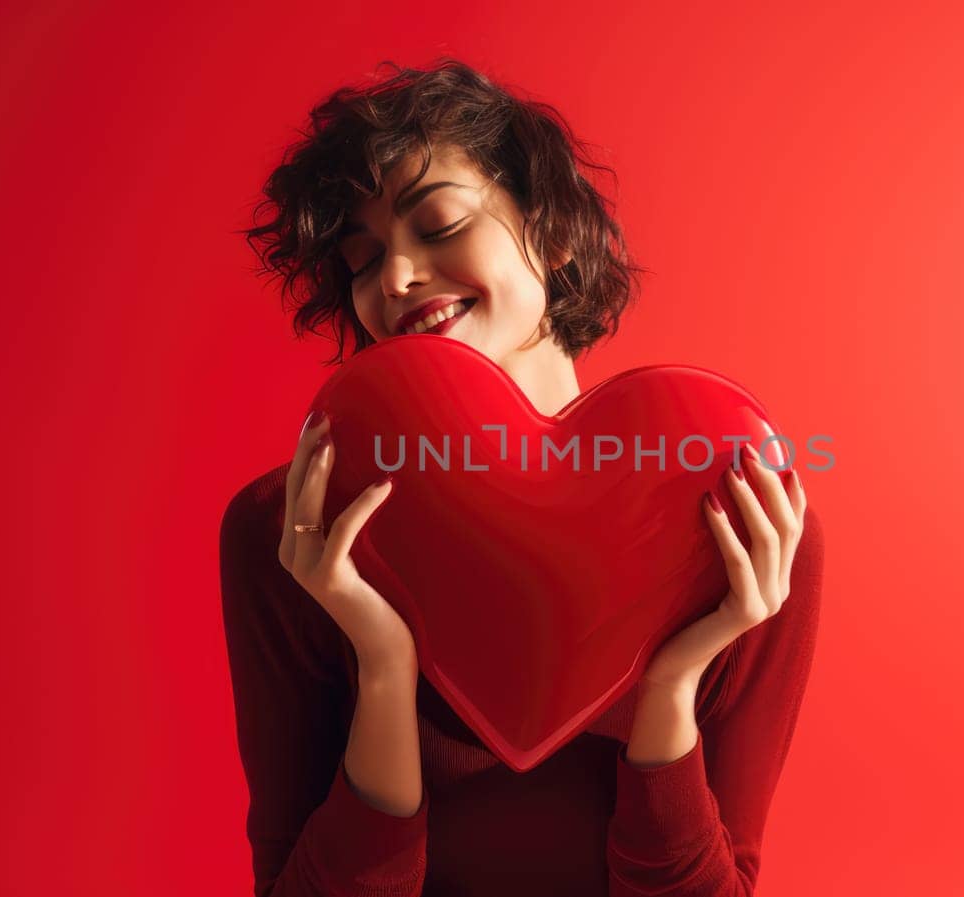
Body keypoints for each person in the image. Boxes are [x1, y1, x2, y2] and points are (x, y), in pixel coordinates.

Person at [221, 58, 826, 897]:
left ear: (554, 232)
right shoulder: (289, 529)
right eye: (362, 261)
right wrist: (386, 666)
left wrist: (669, 683)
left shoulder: (739, 517)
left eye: (436, 226)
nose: (394, 280)